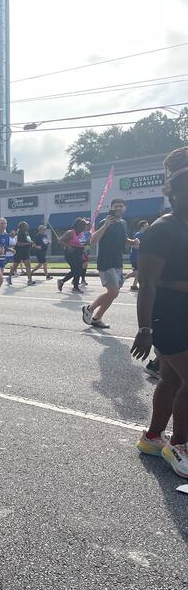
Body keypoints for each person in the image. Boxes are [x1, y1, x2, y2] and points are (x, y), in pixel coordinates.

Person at [131, 147, 188, 475]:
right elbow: (149, 283)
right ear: (176, 192)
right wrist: (145, 328)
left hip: (184, 312)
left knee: (169, 379)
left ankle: (153, 438)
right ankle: (179, 446)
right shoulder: (162, 229)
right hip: (168, 316)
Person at [82, 199, 137, 329]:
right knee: (113, 292)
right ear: (111, 208)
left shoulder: (123, 223)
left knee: (114, 293)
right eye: (115, 206)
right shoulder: (105, 222)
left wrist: (134, 242)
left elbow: (124, 240)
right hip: (106, 262)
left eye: (120, 206)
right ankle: (89, 308)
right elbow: (93, 240)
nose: (118, 208)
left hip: (118, 262)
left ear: (124, 208)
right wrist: (105, 225)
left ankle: (96, 318)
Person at [56, 218, 89, 294]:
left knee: (77, 270)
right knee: (76, 270)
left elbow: (81, 243)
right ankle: (75, 287)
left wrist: (86, 244)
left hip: (79, 253)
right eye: (83, 225)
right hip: (71, 253)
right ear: (78, 225)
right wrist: (68, 246)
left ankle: (63, 281)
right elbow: (60, 241)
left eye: (85, 225)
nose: (85, 227)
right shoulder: (70, 232)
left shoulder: (81, 233)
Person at [125, 220, 149, 291]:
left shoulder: (146, 234)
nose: (148, 227)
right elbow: (135, 246)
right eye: (146, 226)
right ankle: (123, 278)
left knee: (139, 272)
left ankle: (134, 286)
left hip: (141, 256)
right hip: (135, 257)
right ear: (142, 227)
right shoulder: (138, 235)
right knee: (138, 271)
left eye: (148, 225)